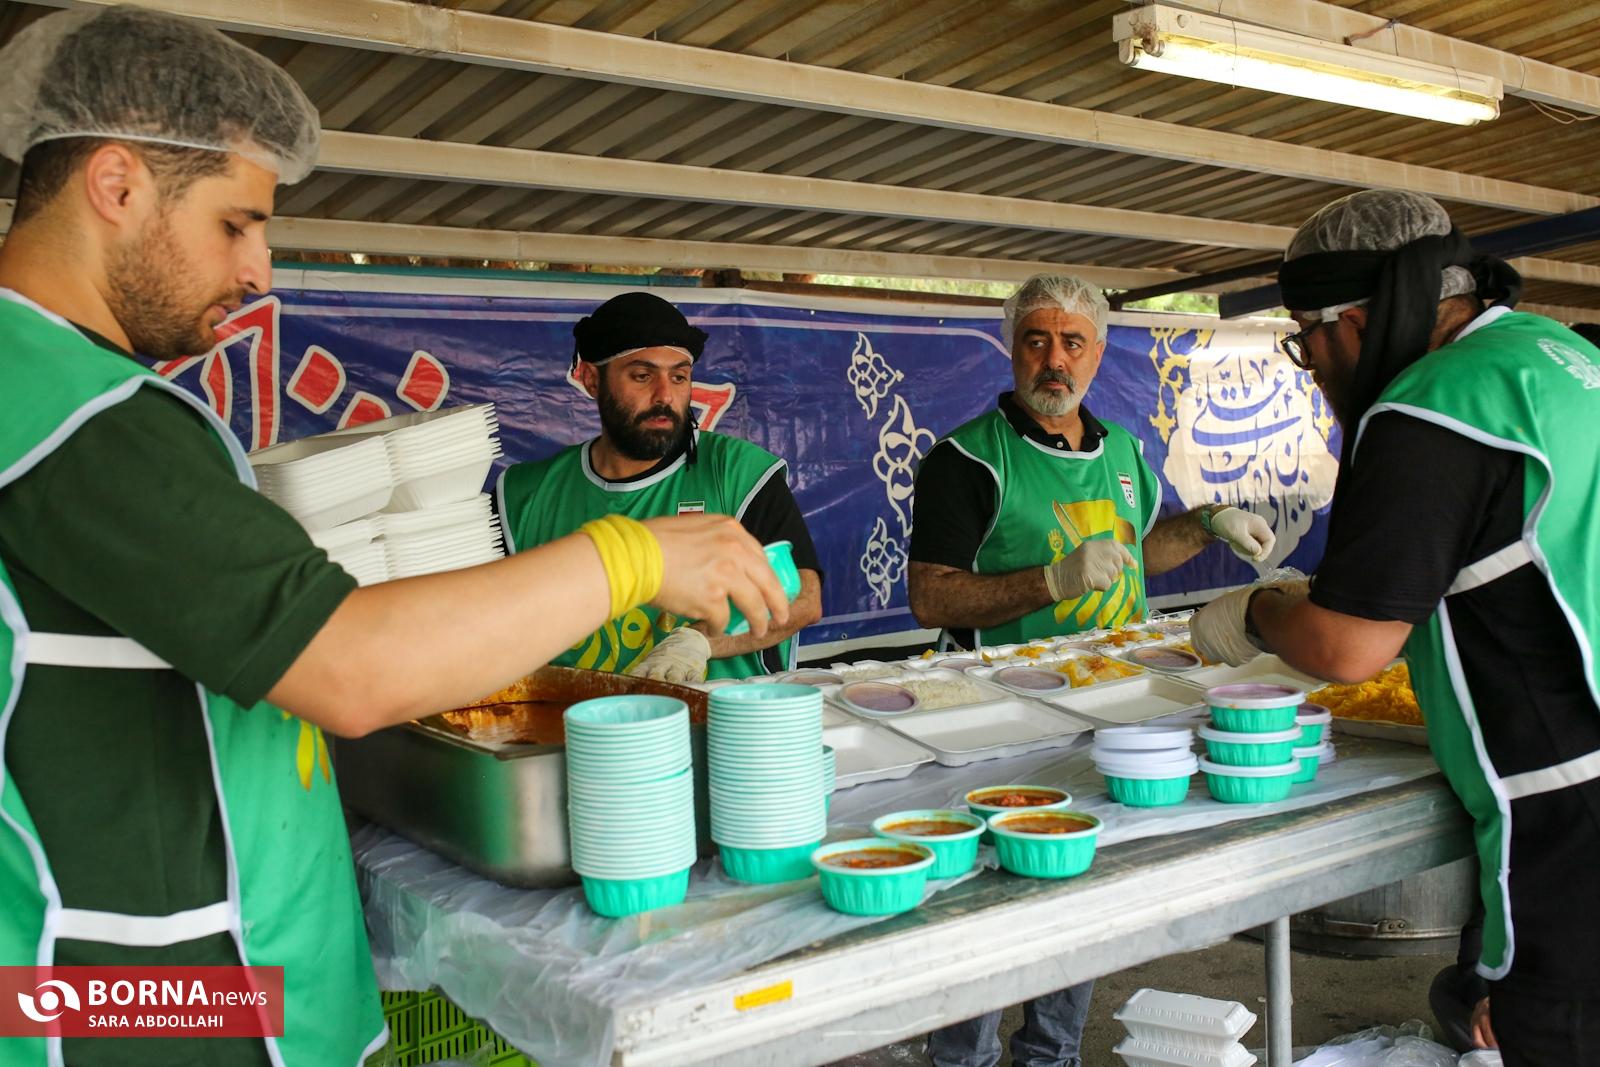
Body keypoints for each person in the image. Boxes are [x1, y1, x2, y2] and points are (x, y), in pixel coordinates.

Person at [0, 9, 786, 1067]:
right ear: (116, 184)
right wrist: (633, 557)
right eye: (236, 223)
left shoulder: (55, 393)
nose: (259, 271)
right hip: (141, 1006)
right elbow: (349, 663)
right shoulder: (74, 416)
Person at [1190, 189, 1600, 1067]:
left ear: (1353, 322)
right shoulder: (1560, 357)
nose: (1312, 364)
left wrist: (1257, 612)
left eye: (1305, 340)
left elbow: (1347, 646)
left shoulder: (1433, 403)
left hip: (1573, 825)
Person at [906, 273, 1277, 1067]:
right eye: (1036, 340)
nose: (1054, 359)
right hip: (998, 728)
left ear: (1099, 352)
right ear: (1012, 348)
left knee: (1077, 889)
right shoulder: (966, 459)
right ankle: (962, 1059)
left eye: (1072, 342)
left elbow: (1136, 554)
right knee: (986, 902)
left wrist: (1208, 523)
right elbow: (931, 595)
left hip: (1110, 713)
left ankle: (1052, 1055)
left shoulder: (1124, 452)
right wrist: (1051, 580)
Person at [497, 291, 824, 682]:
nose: (665, 396)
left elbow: (805, 598)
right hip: (579, 716)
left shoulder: (739, 474)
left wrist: (697, 642)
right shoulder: (523, 494)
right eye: (642, 375)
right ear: (591, 379)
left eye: (679, 377)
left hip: (723, 716)